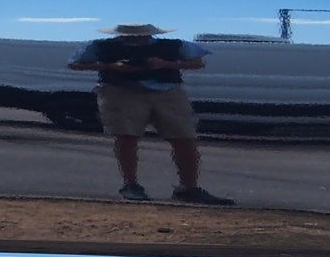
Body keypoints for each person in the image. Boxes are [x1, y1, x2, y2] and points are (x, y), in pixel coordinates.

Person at [68, 23, 231, 204]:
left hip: (167, 91)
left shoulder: (174, 45)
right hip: (121, 90)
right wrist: (111, 66)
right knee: (127, 137)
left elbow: (198, 63)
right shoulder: (100, 46)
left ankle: (189, 187)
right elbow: (74, 64)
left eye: (140, 35)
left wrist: (165, 64)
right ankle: (131, 185)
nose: (137, 38)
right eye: (132, 35)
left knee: (185, 137)